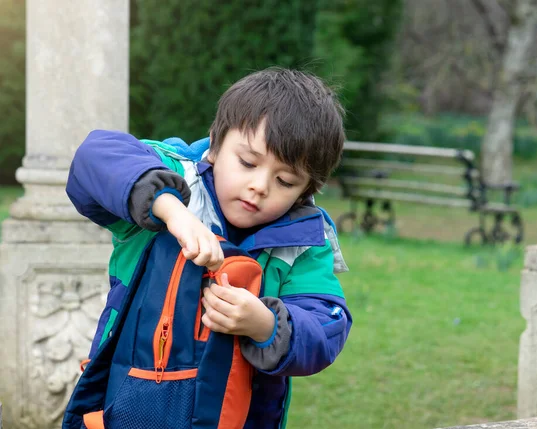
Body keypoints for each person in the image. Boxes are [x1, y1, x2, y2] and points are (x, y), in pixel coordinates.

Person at [64, 68, 352, 428]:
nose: (259, 186)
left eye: (285, 180)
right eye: (247, 162)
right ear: (215, 144)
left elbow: (327, 326)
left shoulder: (304, 242)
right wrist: (170, 210)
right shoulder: (172, 176)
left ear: (307, 190)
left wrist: (265, 324)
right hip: (124, 412)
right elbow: (95, 155)